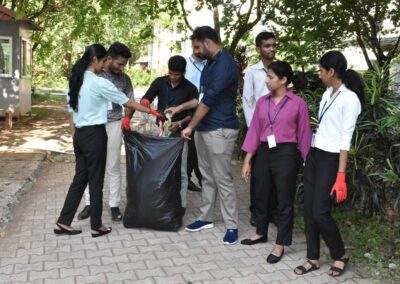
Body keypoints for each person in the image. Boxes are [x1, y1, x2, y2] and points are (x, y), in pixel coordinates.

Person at [54, 44, 162, 237]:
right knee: (96, 181)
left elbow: (71, 112)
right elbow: (127, 102)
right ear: (96, 60)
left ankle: (63, 221)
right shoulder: (99, 83)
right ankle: (97, 226)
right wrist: (152, 111)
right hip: (95, 135)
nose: (105, 65)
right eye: (103, 61)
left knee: (79, 179)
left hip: (79, 135)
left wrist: (74, 137)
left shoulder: (76, 81)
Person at [294, 51, 363, 276]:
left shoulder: (350, 99)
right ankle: (312, 257)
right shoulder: (327, 93)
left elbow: (346, 139)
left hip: (332, 158)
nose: (319, 74)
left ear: (331, 72)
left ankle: (340, 254)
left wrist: (341, 176)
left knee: (321, 211)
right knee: (308, 210)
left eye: (321, 70)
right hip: (315, 155)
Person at [241, 61, 312, 263]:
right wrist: (247, 159)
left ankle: (280, 243)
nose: (267, 80)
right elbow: (254, 130)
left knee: (284, 199)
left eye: (271, 77)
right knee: (261, 193)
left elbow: (304, 134)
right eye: (268, 76)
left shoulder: (298, 103)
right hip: (264, 151)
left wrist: (306, 161)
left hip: (287, 153)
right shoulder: (263, 101)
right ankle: (261, 232)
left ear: (283, 80)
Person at [182, 26, 240, 245]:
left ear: (207, 42)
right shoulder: (210, 64)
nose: (196, 51)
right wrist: (182, 114)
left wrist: (190, 127)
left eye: (197, 46)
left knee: (222, 178)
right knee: (206, 176)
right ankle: (206, 217)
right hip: (204, 128)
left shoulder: (225, 64)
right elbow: (201, 97)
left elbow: (209, 100)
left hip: (220, 129)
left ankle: (232, 226)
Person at [77, 42, 134, 222]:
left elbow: (130, 102)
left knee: (113, 166)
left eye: (124, 64)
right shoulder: (94, 73)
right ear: (108, 58)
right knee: (91, 165)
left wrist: (127, 118)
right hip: (94, 126)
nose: (121, 68)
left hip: (114, 125)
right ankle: (89, 204)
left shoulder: (125, 80)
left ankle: (114, 205)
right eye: (119, 63)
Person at [139, 55, 199, 212]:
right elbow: (147, 97)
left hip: (181, 134)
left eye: (177, 74)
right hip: (161, 133)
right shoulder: (160, 82)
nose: (173, 77)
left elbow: (194, 113)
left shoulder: (190, 88)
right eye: (171, 73)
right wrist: (145, 101)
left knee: (182, 170)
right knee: (160, 167)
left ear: (183, 72)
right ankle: (161, 200)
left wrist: (179, 123)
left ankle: (182, 204)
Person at [242, 31, 278, 227]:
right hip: (258, 131)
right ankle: (256, 211)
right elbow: (248, 102)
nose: (271, 49)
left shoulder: (280, 70)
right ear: (258, 49)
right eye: (266, 46)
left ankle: (273, 212)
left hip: (278, 132)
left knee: (275, 173)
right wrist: (252, 130)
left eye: (273, 45)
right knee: (258, 174)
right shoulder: (252, 72)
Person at [184, 46, 207, 192]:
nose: (199, 50)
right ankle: (194, 178)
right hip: (190, 108)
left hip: (206, 108)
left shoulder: (209, 64)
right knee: (192, 145)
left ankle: (197, 177)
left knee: (199, 146)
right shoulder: (185, 64)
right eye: (196, 46)